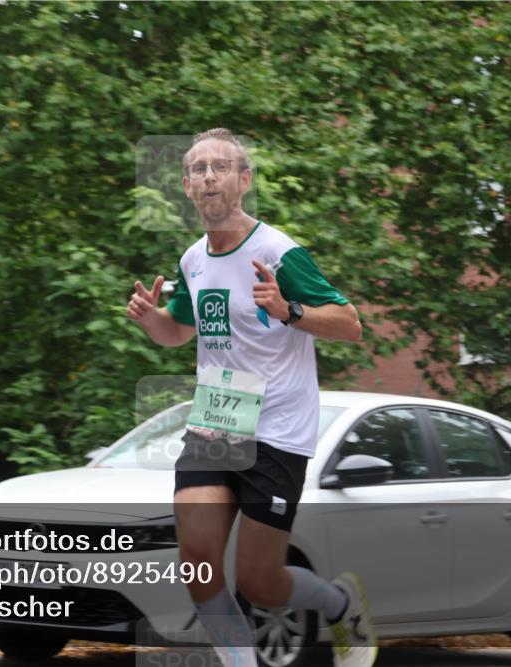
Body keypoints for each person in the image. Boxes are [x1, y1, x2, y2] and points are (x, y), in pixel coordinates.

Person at [127, 129, 376, 667]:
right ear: (187, 186)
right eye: (198, 169)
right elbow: (178, 332)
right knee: (198, 566)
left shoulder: (278, 253)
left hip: (279, 425)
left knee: (260, 582)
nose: (208, 177)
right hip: (219, 417)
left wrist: (290, 311)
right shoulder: (193, 260)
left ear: (243, 181)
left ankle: (339, 605)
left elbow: (350, 324)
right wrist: (152, 321)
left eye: (221, 167)